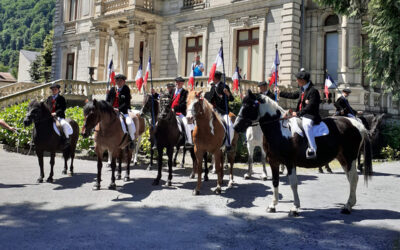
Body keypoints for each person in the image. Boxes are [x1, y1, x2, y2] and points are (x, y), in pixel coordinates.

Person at [276, 69, 321, 159]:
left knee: (306, 124)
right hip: (301, 114)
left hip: (310, 115)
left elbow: (310, 107)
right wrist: (280, 93)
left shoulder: (313, 91)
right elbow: (293, 95)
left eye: (297, 79)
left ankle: (313, 148)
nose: (296, 81)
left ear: (303, 80)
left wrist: (298, 113)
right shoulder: (302, 89)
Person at [106, 74, 136, 149]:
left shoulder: (126, 89)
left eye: (120, 81)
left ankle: (131, 140)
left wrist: (118, 109)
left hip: (123, 111)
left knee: (129, 123)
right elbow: (108, 101)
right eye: (117, 81)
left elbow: (126, 103)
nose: (118, 82)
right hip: (112, 111)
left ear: (124, 82)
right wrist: (111, 107)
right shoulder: (112, 89)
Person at [208, 71, 235, 151]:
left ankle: (228, 143)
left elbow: (232, 99)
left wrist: (228, 94)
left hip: (223, 112)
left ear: (215, 78)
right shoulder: (212, 87)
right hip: (213, 112)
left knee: (229, 125)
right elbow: (209, 99)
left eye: (213, 77)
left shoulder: (224, 86)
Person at [46, 83, 73, 149]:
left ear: (58, 90)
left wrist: (55, 113)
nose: (54, 90)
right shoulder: (49, 98)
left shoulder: (61, 98)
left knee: (62, 125)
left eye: (55, 89)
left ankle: (66, 139)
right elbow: (46, 107)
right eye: (53, 89)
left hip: (58, 117)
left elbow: (63, 108)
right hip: (49, 117)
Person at [171, 76, 194, 148]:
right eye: (176, 82)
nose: (177, 83)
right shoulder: (172, 91)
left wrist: (174, 109)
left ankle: (188, 141)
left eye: (178, 82)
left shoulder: (185, 92)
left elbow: (184, 104)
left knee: (186, 123)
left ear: (182, 83)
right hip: (170, 113)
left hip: (180, 113)